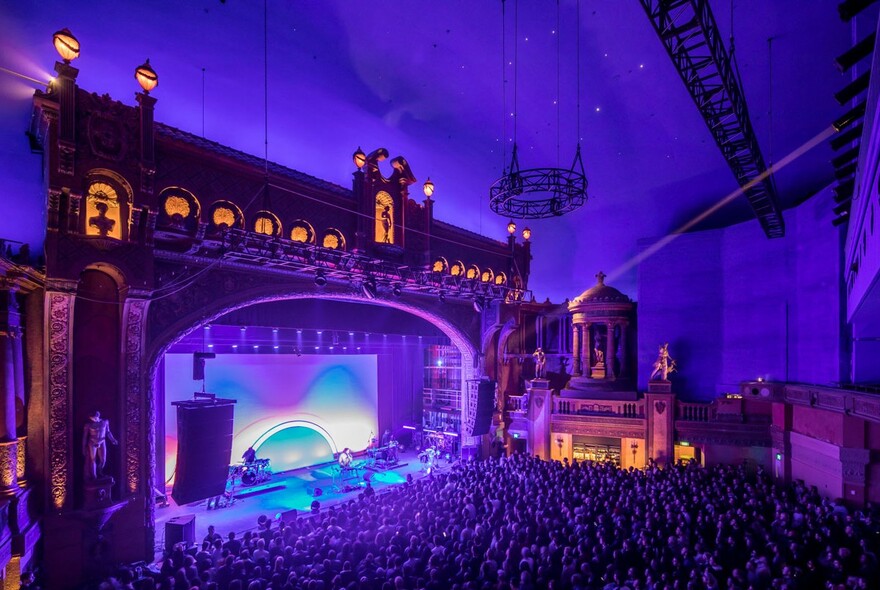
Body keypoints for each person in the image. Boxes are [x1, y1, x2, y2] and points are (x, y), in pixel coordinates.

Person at [82, 410, 118, 480]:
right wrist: (83, 447)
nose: (93, 420)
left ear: (98, 416)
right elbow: (84, 437)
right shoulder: (88, 425)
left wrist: (113, 439)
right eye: (92, 419)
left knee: (103, 459)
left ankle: (100, 472)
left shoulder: (105, 422)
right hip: (92, 442)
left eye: (94, 418)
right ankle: (94, 476)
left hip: (102, 441)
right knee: (93, 459)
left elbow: (108, 432)